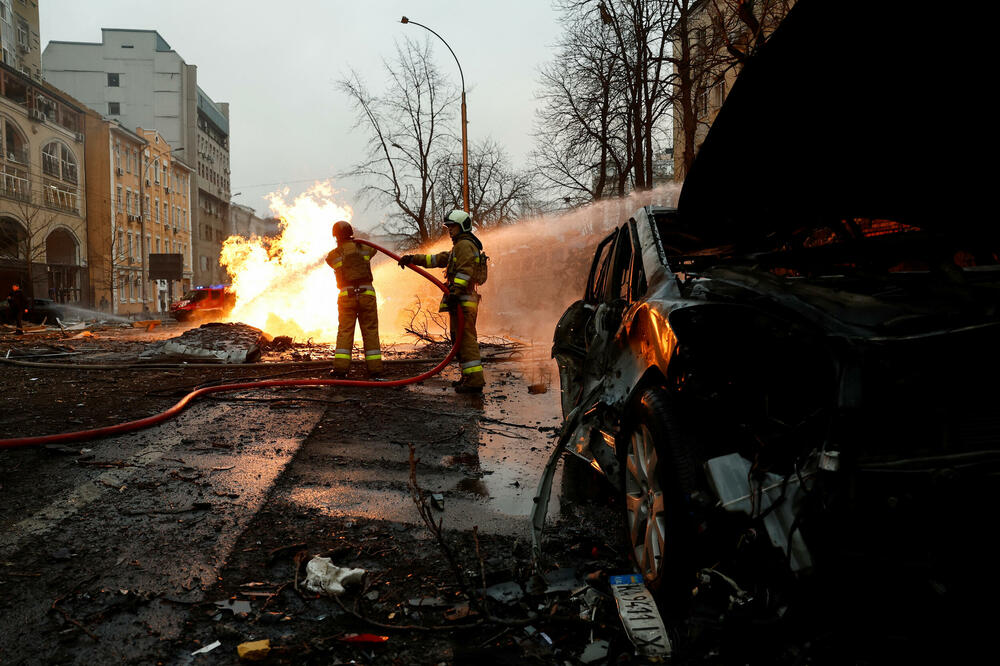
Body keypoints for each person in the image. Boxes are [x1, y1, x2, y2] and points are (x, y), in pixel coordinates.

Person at [398, 210, 486, 394]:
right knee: (459, 340)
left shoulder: (464, 246)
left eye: (452, 226)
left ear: (462, 226)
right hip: (461, 300)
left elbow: (465, 271)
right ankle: (468, 377)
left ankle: (475, 381)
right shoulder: (460, 247)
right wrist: (413, 258)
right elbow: (436, 259)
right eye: (448, 227)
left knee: (466, 340)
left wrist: (455, 292)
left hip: (464, 300)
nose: (449, 230)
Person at [325, 220, 382, 378]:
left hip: (347, 296)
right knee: (370, 331)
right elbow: (374, 250)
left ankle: (341, 370)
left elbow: (328, 260)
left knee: (345, 331)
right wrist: (356, 242)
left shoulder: (334, 254)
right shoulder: (364, 249)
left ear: (336, 236)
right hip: (367, 294)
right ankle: (375, 370)